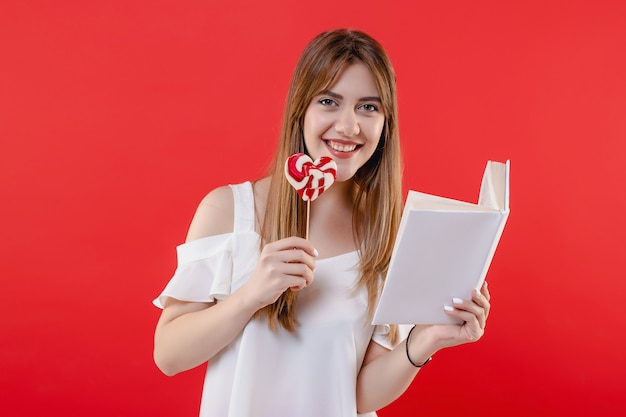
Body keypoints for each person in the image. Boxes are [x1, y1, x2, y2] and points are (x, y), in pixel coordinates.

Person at [153, 28, 491, 417]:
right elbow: (169, 355)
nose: (348, 126)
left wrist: (427, 339)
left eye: (369, 107)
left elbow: (358, 395)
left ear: (386, 125)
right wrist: (250, 296)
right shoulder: (229, 211)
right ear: (302, 109)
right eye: (329, 101)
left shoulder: (390, 235)